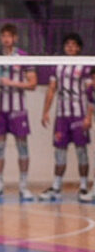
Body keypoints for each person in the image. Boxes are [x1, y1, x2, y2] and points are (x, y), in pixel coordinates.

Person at [0, 24, 37, 201]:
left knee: (22, 146)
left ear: (15, 38)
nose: (6, 39)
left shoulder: (23, 57)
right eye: (3, 36)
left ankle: (23, 187)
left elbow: (32, 84)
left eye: (9, 36)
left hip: (18, 109)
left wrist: (12, 83)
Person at [39, 33, 93, 202]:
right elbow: (51, 89)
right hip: (62, 117)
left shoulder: (85, 66)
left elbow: (91, 92)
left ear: (79, 48)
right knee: (60, 152)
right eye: (67, 44)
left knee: (81, 152)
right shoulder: (58, 66)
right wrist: (45, 111)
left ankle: (84, 187)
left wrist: (89, 116)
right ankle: (56, 187)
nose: (70, 47)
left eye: (74, 44)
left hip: (79, 115)